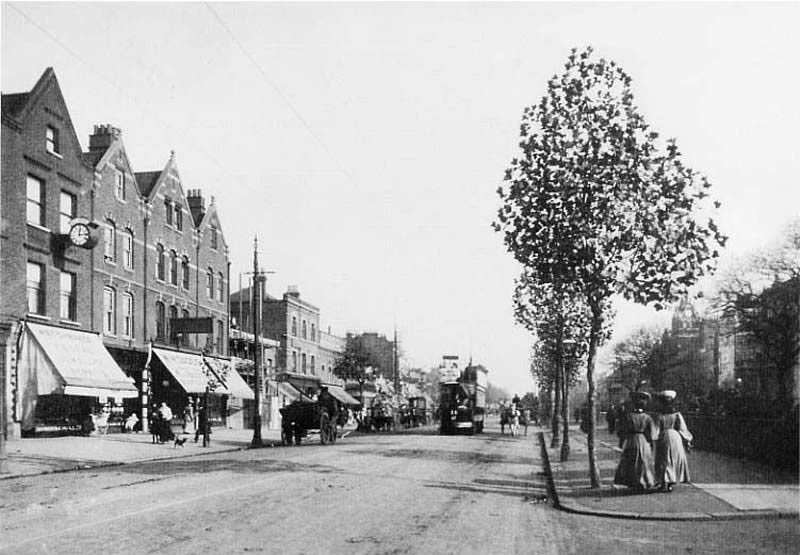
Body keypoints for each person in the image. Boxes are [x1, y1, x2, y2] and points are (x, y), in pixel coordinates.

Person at [613, 391, 658, 491]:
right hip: (643, 440)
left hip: (631, 440)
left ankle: (632, 482)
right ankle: (644, 481)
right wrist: (651, 443)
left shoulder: (628, 416)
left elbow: (622, 430)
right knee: (643, 461)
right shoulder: (647, 417)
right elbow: (651, 433)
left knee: (631, 460)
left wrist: (621, 441)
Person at [654, 390, 693, 492]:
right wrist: (687, 440)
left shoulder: (660, 416)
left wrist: (654, 439)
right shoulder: (677, 415)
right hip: (675, 438)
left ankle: (664, 482)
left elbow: (656, 430)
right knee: (673, 459)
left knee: (664, 460)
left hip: (664, 437)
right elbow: (682, 428)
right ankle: (671, 482)